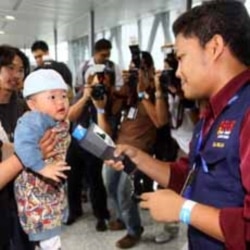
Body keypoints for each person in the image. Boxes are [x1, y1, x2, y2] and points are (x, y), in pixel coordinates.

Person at [105, 1, 250, 249]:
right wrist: (139, 158)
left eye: (182, 58)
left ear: (214, 47)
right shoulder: (214, 112)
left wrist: (184, 210)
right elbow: (190, 176)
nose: (178, 72)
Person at [103, 51, 168, 249]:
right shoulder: (128, 92)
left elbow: (160, 121)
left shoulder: (154, 92)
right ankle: (123, 217)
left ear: (148, 70)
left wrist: (142, 92)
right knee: (110, 187)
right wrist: (113, 88)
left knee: (124, 192)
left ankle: (134, 230)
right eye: (132, 69)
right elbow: (113, 111)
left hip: (139, 153)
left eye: (139, 69)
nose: (135, 73)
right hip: (117, 148)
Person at [14, 69, 71, 250]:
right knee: (47, 234)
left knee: (51, 229)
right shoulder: (33, 120)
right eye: (52, 97)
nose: (61, 101)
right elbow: (22, 145)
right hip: (34, 189)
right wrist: (42, 167)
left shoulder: (58, 119)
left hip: (50, 186)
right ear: (32, 104)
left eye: (64, 95)